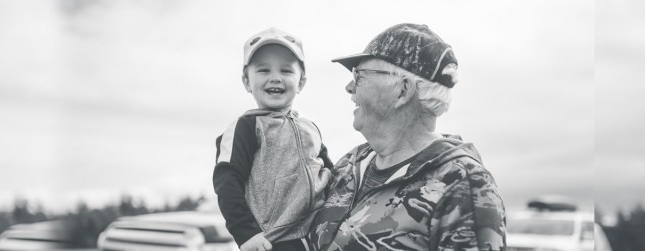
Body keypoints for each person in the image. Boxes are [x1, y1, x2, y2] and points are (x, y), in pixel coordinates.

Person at [308, 23, 507, 251]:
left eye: (360, 75)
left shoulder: (463, 185)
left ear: (403, 90)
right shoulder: (349, 164)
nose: (349, 87)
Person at [213, 27, 333, 251]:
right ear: (247, 82)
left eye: (286, 71)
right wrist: (246, 234)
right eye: (264, 70)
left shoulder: (311, 128)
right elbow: (226, 180)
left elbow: (330, 172)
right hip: (274, 241)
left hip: (321, 235)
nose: (275, 77)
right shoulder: (245, 127)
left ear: (302, 82)